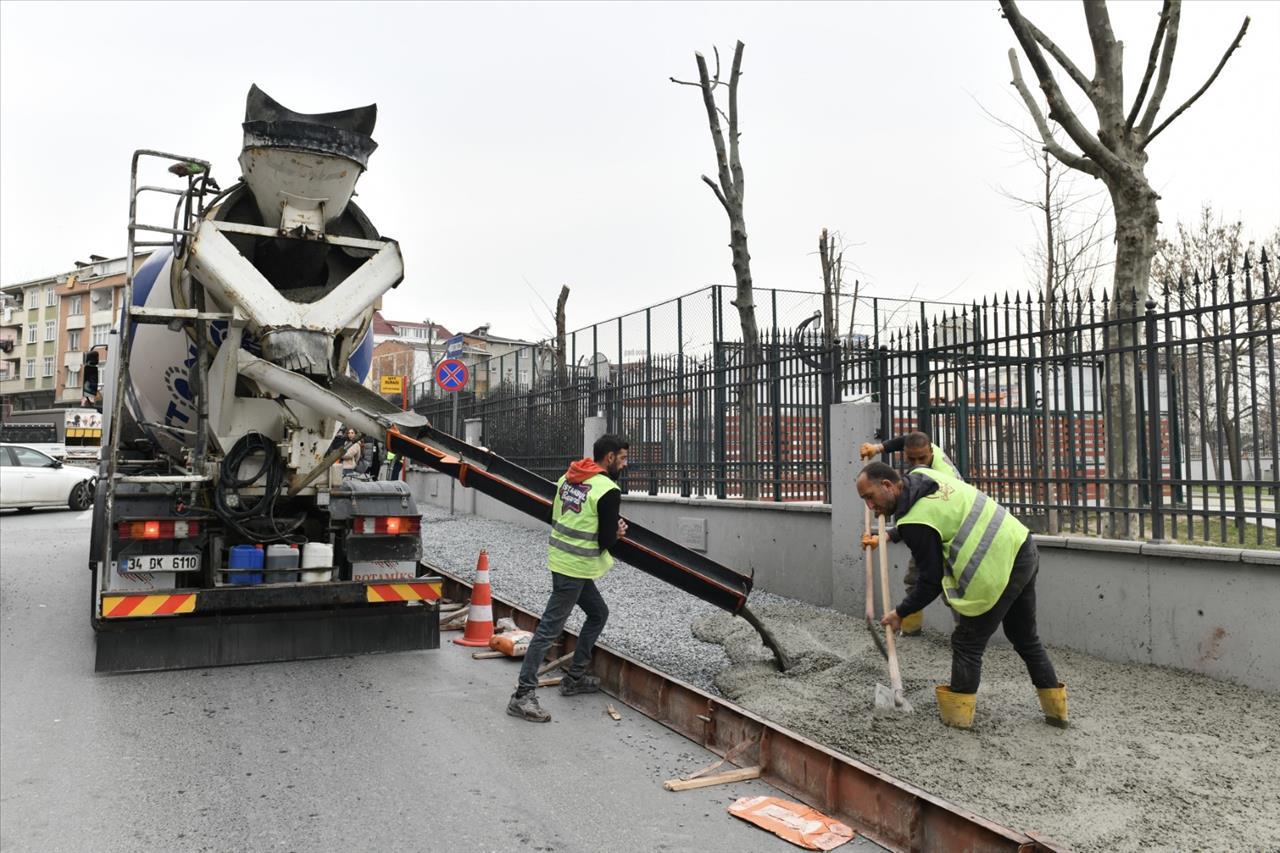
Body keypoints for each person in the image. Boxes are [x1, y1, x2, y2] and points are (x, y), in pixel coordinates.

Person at [856, 461, 1067, 729]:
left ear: (887, 485)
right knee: (1025, 636)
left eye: (870, 497)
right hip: (1021, 546)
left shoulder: (914, 522)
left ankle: (957, 721)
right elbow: (940, 513)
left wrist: (901, 612)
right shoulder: (923, 476)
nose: (870, 507)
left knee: (967, 642)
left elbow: (930, 582)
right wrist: (889, 535)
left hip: (996, 567)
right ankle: (1057, 713)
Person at [508, 434, 630, 722]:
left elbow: (555, 516)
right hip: (575, 567)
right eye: (623, 458)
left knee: (598, 613)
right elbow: (604, 541)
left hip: (563, 561)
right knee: (549, 630)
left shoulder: (569, 477)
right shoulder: (608, 490)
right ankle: (522, 695)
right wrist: (617, 533)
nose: (625, 464)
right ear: (610, 457)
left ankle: (574, 678)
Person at [860, 430, 961, 636]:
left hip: (952, 532)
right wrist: (877, 448)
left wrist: (886, 536)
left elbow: (923, 517)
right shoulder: (921, 452)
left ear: (931, 451)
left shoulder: (942, 478)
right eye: (911, 458)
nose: (917, 463)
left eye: (922, 458)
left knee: (950, 587)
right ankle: (911, 629)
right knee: (914, 578)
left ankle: (966, 633)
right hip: (928, 528)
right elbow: (905, 440)